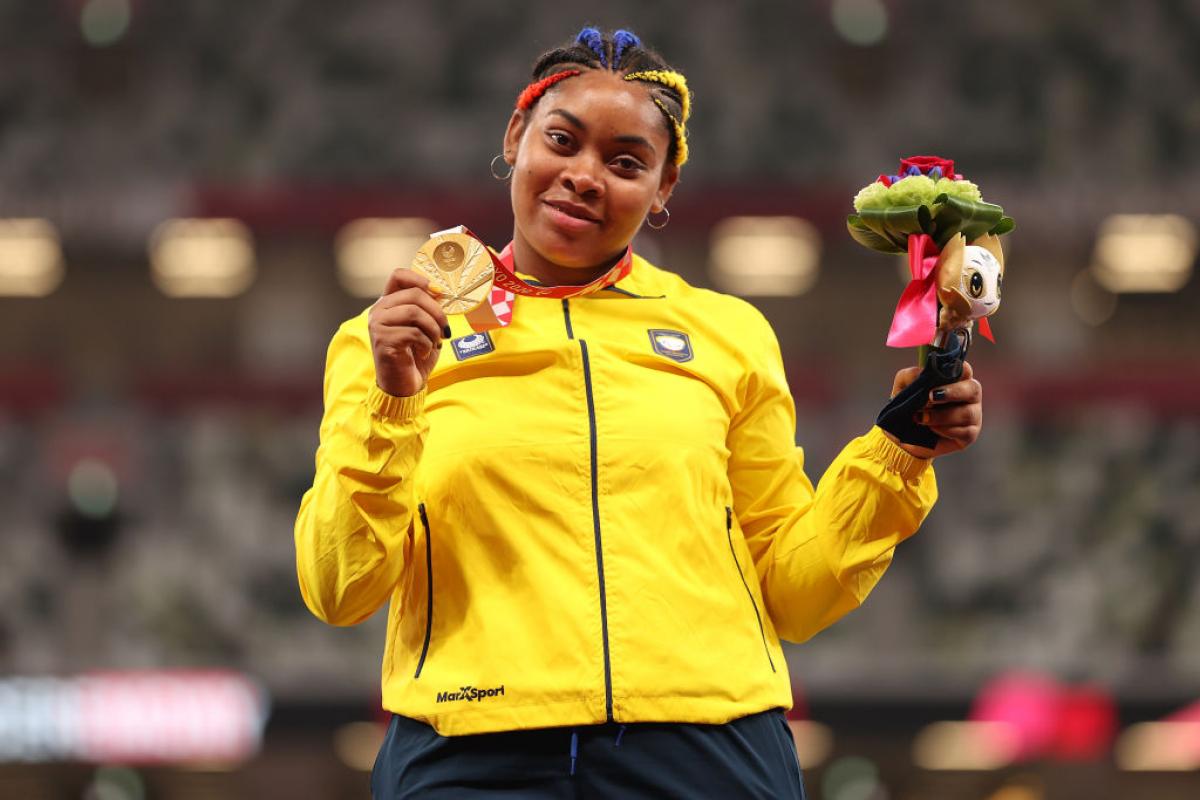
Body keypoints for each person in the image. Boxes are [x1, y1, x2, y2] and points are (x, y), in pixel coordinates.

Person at [294, 26, 982, 799]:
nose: (585, 176)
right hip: (472, 752)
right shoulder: (391, 337)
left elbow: (793, 591)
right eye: (563, 141)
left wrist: (898, 453)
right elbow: (339, 587)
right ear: (516, 138)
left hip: (708, 749)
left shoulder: (726, 334)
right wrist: (393, 397)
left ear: (663, 189)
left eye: (626, 162)